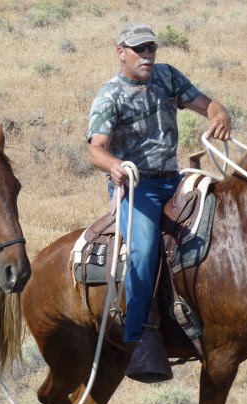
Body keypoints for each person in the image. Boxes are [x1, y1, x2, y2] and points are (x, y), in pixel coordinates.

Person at [87, 22, 231, 345]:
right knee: (144, 250)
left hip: (174, 179)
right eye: (139, 49)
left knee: (225, 215)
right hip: (138, 188)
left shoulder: (168, 76)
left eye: (151, 48)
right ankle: (138, 337)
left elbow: (205, 104)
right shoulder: (110, 96)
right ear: (120, 52)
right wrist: (114, 166)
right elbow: (95, 149)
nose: (147, 55)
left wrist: (218, 112)